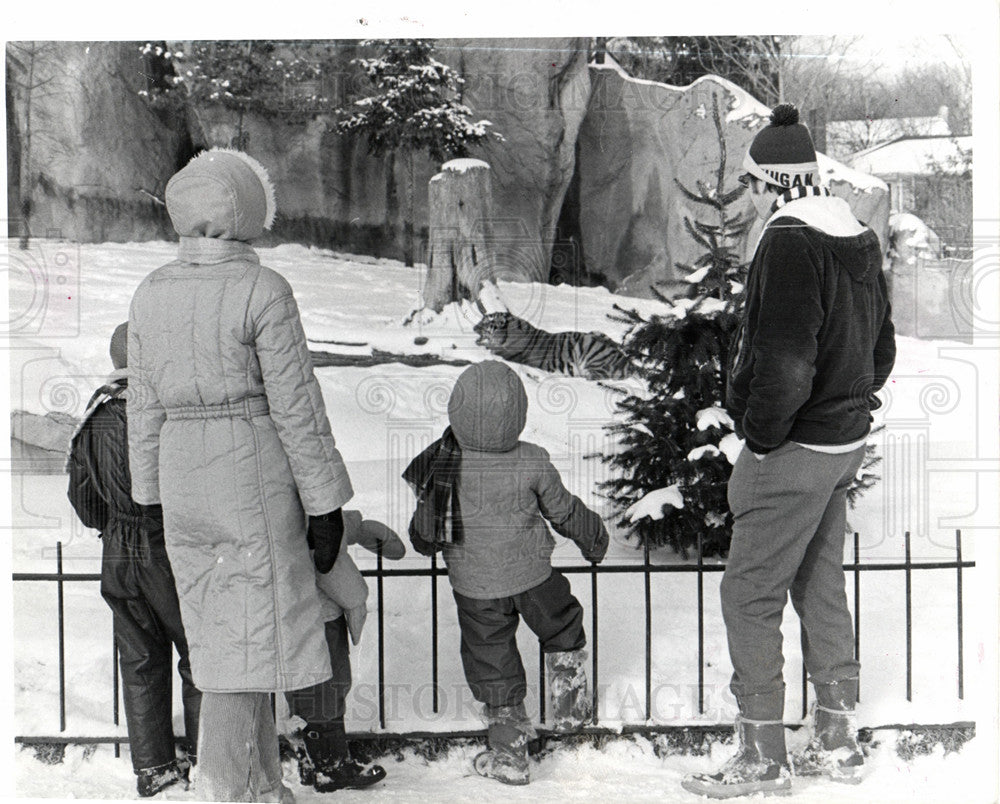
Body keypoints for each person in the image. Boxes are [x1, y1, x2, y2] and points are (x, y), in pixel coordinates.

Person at [127, 148, 355, 802]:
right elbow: (297, 406)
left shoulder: (151, 293)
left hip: (182, 475)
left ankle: (260, 785)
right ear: (248, 211)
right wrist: (324, 502)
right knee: (246, 642)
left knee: (228, 635)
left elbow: (142, 404)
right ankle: (226, 787)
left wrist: (148, 498)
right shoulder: (263, 290)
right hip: (249, 473)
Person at [682, 104, 896, 799]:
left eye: (753, 183)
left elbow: (782, 363)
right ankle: (836, 740)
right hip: (845, 441)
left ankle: (763, 758)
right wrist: (845, 404)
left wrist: (761, 436)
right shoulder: (856, 232)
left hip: (797, 445)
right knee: (819, 581)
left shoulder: (788, 241)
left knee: (748, 593)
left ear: (768, 180)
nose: (750, 195)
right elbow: (883, 348)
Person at [403, 360, 610, 786]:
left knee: (491, 662)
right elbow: (564, 510)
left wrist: (426, 538)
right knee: (563, 624)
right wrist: (594, 538)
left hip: (476, 590)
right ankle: (571, 712)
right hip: (535, 578)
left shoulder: (445, 467)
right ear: (519, 412)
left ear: (455, 411)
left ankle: (511, 754)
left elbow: (424, 536)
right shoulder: (532, 461)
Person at [67, 322, 201, 798]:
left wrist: (113, 525)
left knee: (140, 659)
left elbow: (82, 498)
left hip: (118, 551)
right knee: (199, 654)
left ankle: (154, 768)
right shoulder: (167, 411)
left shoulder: (95, 416)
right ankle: (209, 758)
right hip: (168, 545)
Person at [284, 511, 404, 793]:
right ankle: (330, 765)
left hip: (319, 615)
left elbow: (335, 522)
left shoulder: (305, 509)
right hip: (313, 617)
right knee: (322, 687)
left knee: (327, 685)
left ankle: (315, 759)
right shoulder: (294, 516)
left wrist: (360, 529)